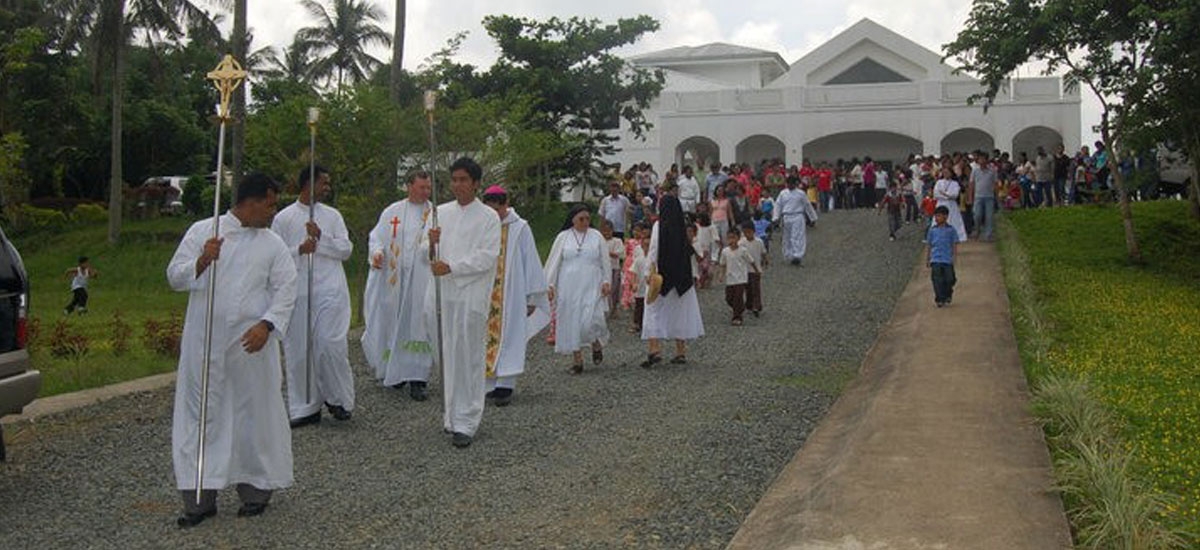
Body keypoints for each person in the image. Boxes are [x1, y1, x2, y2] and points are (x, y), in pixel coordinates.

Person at [167, 173, 296, 527]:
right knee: (202, 415)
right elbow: (174, 277)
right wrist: (201, 262)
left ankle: (255, 490)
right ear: (250, 202)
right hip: (205, 346)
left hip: (250, 348)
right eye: (270, 204)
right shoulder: (203, 232)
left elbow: (287, 288)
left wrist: (267, 325)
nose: (273, 212)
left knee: (251, 417)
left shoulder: (272, 244)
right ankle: (199, 497)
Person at [422, 157, 501, 449]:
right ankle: (451, 413)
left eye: (463, 180)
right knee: (445, 353)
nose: (457, 185)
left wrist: (452, 266)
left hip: (470, 293)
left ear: (476, 183)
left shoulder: (488, 217)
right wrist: (430, 243)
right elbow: (423, 254)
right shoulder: (439, 213)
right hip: (442, 293)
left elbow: (487, 256)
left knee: (467, 354)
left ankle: (467, 419)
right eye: (454, 179)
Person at [271, 165, 354, 428]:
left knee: (330, 344)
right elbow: (274, 254)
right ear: (308, 184)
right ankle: (306, 406)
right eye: (324, 183)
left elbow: (346, 249)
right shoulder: (283, 218)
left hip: (330, 290)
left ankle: (339, 398)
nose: (328, 188)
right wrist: (300, 248)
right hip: (298, 291)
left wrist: (322, 238)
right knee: (299, 349)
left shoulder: (332, 216)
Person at [361, 171, 434, 401]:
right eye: (421, 187)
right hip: (395, 280)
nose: (425, 192)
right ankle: (397, 370)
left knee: (418, 325)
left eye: (428, 188)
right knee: (395, 323)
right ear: (408, 187)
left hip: (420, 278)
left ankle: (418, 378)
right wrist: (377, 252)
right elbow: (377, 237)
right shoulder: (392, 212)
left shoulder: (434, 213)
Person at [480, 186, 550, 407]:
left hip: (511, 294)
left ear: (505, 204)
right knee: (484, 338)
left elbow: (530, 260)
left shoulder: (520, 228)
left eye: (497, 209)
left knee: (510, 336)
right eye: (489, 209)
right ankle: (489, 385)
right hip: (485, 293)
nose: (494, 214)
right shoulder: (481, 226)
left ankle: (505, 385)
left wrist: (531, 297)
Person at [544, 204, 611, 374]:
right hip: (569, 287)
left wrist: (606, 281)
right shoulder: (563, 237)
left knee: (591, 320)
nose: (585, 222)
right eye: (581, 219)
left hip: (592, 285)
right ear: (573, 219)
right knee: (572, 321)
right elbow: (553, 263)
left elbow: (605, 262)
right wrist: (549, 285)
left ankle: (595, 342)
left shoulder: (596, 236)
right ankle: (577, 360)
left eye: (588, 218)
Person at [640, 195, 705, 367]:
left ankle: (655, 348)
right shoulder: (682, 227)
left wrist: (647, 271)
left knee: (653, 310)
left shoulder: (658, 226)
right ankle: (680, 351)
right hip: (682, 277)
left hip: (663, 277)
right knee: (680, 313)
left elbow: (653, 250)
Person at [774, 176, 819, 265]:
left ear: (796, 184)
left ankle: (797, 255)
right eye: (789, 183)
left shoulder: (801, 193)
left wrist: (812, 218)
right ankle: (789, 255)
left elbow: (807, 205)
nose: (790, 185)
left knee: (797, 236)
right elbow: (778, 205)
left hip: (798, 216)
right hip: (786, 216)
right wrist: (775, 217)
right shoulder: (783, 193)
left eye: (792, 183)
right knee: (787, 237)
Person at [718, 230, 758, 326]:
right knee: (729, 298)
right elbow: (722, 264)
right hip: (730, 278)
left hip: (741, 278)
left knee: (737, 297)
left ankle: (737, 317)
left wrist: (756, 270)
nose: (731, 240)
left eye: (733, 237)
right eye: (729, 238)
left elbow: (751, 261)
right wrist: (721, 275)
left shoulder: (743, 250)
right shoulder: (725, 251)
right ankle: (739, 308)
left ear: (738, 238)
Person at [926, 205, 960, 307]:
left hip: (947, 259)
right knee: (937, 279)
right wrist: (928, 258)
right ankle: (939, 299)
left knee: (950, 279)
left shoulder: (951, 230)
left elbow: (954, 244)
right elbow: (929, 245)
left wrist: (954, 257)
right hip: (935, 258)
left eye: (939, 216)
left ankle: (948, 293)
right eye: (935, 216)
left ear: (945, 217)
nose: (936, 219)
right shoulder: (932, 230)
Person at [968, 152, 999, 241]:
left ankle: (988, 234)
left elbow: (996, 183)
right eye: (980, 159)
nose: (981, 161)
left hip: (989, 196)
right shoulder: (975, 170)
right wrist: (970, 197)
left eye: (983, 159)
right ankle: (977, 230)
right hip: (978, 196)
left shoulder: (992, 170)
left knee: (989, 216)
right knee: (977, 215)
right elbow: (971, 184)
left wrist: (996, 196)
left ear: (987, 160)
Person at [932, 168, 967, 242]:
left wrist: (945, 194)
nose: (946, 174)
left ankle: (955, 237)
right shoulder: (939, 182)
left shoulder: (955, 183)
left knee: (953, 220)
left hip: (951, 204)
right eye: (944, 172)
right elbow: (936, 193)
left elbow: (955, 194)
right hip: (941, 203)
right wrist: (947, 196)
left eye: (947, 172)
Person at [740, 220, 766, 317]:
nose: (747, 234)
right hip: (745, 270)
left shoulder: (759, 242)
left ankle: (757, 306)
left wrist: (765, 261)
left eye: (749, 232)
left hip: (756, 270)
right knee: (748, 289)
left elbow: (763, 252)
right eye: (745, 232)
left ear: (753, 231)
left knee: (756, 288)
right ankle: (749, 304)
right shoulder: (741, 243)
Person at [628, 222, 650, 333]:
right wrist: (634, 283)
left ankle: (648, 324)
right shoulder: (639, 257)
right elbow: (634, 271)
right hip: (640, 286)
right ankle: (637, 323)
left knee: (650, 305)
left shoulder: (653, 258)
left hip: (650, 286)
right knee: (639, 306)